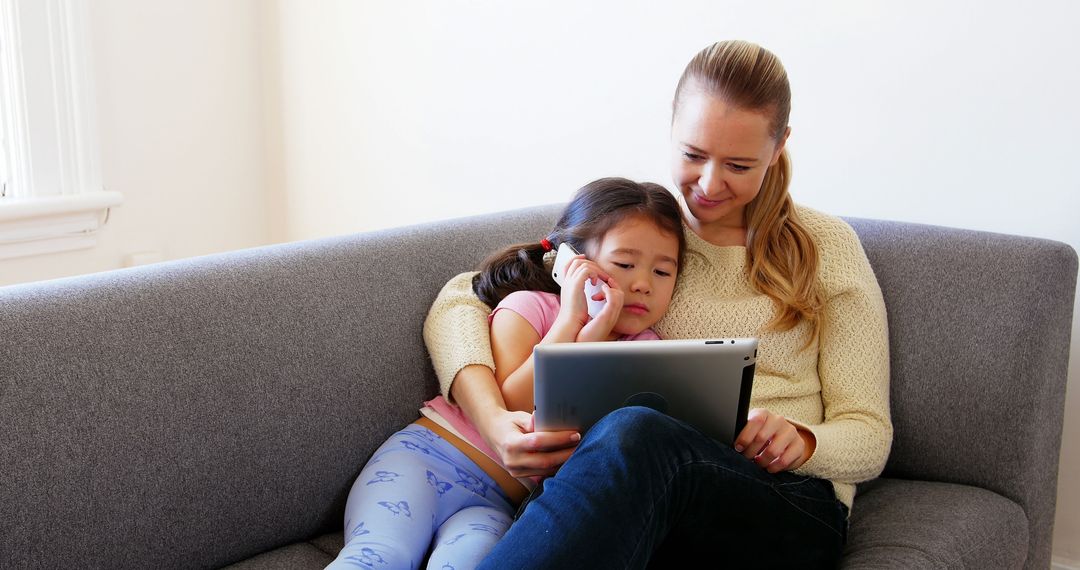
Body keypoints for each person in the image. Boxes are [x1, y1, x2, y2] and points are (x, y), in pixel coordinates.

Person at [422, 40, 892, 568]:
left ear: (780, 144)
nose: (709, 185)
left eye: (738, 165)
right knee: (626, 442)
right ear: (671, 130)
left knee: (636, 427)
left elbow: (870, 435)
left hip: (784, 505)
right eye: (693, 155)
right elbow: (460, 299)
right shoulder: (643, 238)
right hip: (633, 491)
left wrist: (803, 441)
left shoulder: (825, 247)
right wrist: (493, 421)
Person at [327, 177, 686, 570]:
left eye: (662, 272)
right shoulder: (530, 307)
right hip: (424, 461)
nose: (642, 284)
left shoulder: (649, 351)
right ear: (572, 263)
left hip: (497, 504)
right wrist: (573, 322)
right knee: (381, 556)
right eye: (625, 264)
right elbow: (513, 402)